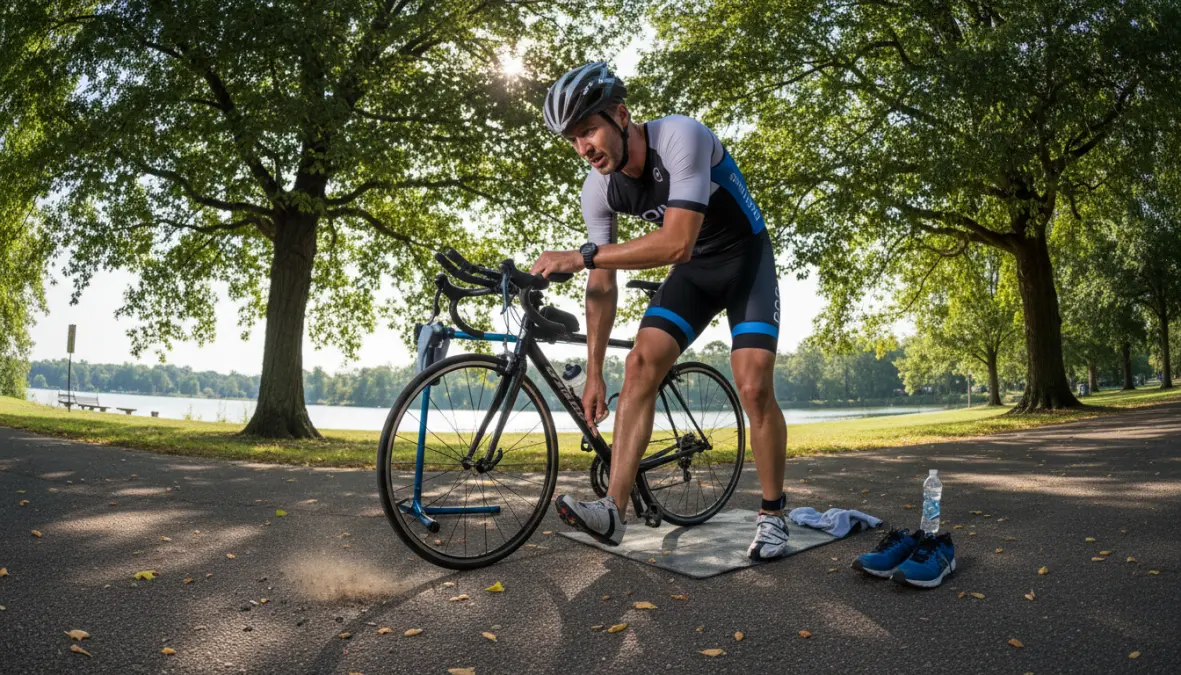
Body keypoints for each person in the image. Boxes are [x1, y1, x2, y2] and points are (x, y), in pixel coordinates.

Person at [529, 62, 790, 560]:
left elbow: (676, 243)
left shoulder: (681, 137)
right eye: (573, 139)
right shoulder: (598, 189)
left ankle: (774, 514)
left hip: (744, 263)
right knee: (640, 363)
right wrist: (593, 372)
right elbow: (602, 285)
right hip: (695, 276)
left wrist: (580, 255)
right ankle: (613, 510)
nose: (584, 147)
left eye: (589, 130)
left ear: (621, 116)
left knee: (754, 387)